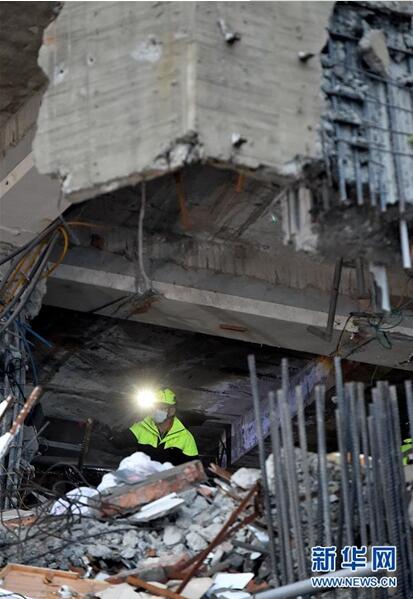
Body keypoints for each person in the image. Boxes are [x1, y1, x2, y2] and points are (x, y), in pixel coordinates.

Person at [111, 388, 198, 465]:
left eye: (161, 407)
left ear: (172, 410)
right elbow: (119, 442)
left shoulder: (185, 438)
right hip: (144, 479)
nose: (156, 411)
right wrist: (105, 431)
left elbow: (193, 470)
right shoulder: (142, 427)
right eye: (154, 407)